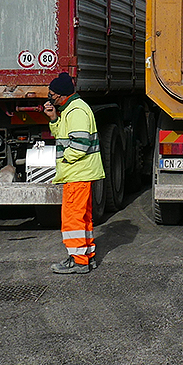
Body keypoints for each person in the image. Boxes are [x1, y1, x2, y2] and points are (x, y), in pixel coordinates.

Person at [42, 72, 104, 274]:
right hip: (80, 174)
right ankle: (87, 257)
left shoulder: (76, 111)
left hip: (77, 174)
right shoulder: (71, 109)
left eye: (52, 94)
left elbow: (80, 144)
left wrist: (67, 160)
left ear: (61, 94)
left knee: (73, 219)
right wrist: (53, 119)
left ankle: (78, 261)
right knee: (83, 218)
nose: (50, 97)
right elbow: (63, 135)